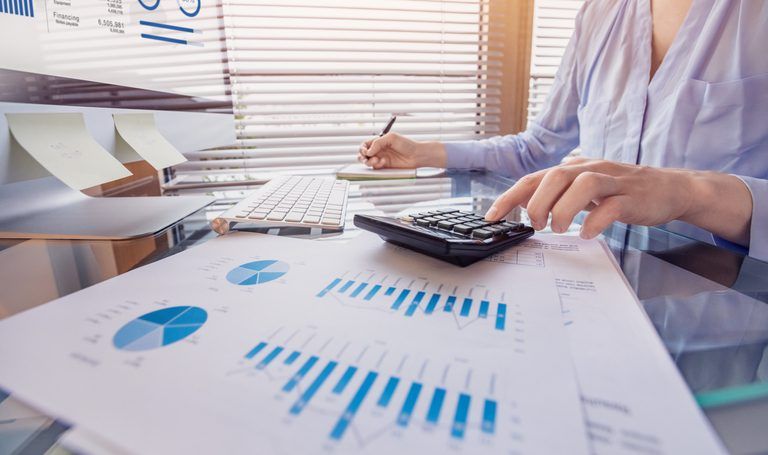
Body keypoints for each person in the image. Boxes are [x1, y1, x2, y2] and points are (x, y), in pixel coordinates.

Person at [358, 0, 768, 262]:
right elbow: (538, 149)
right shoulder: (599, 13)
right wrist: (424, 153)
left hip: (709, 323)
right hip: (583, 285)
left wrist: (691, 193)